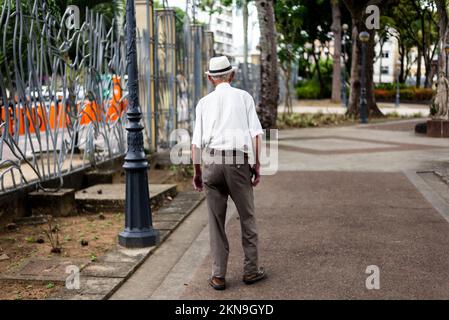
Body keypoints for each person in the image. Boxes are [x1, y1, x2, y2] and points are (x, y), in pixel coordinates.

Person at [191, 56, 265, 290]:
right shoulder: (244, 97)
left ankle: (218, 275)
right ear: (232, 76)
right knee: (247, 217)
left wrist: (197, 171)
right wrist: (257, 165)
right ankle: (251, 271)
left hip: (211, 162)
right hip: (237, 162)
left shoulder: (203, 103)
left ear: (211, 78)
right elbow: (256, 135)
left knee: (215, 222)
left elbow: (195, 145)